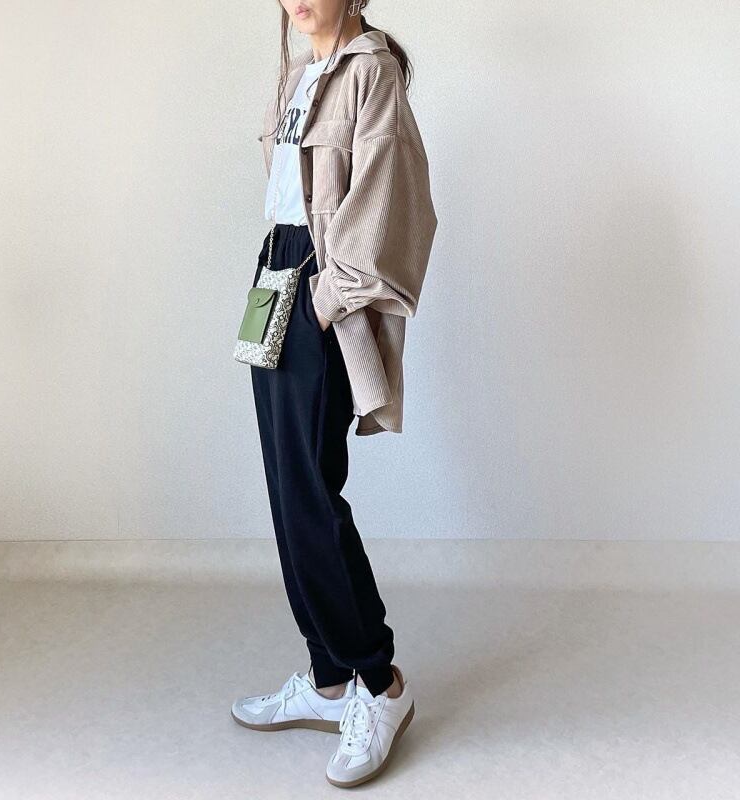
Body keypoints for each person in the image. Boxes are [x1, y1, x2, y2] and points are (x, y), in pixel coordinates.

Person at [231, 0, 438, 788]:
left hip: (317, 286)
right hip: (273, 272)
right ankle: (327, 680)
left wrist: (328, 299)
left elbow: (393, 201)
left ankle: (378, 682)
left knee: (312, 492)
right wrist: (278, 282)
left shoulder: (370, 72)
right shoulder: (299, 70)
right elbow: (289, 192)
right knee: (287, 488)